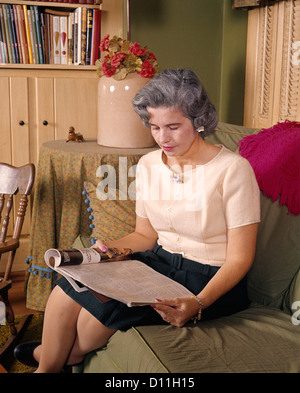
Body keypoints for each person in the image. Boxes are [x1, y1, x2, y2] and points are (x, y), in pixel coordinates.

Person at [14, 69, 260, 373]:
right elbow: (144, 235)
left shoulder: (234, 170)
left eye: (173, 126)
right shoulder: (148, 165)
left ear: (199, 120)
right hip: (159, 263)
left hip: (209, 279)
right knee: (67, 288)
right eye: (154, 126)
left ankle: (51, 356)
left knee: (90, 328)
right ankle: (50, 366)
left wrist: (198, 302)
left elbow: (240, 259)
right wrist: (107, 250)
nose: (162, 138)